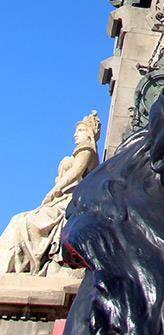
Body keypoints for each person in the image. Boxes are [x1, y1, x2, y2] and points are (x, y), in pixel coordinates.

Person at [0, 111, 101, 275]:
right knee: (19, 221)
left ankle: (19, 266)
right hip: (62, 201)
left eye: (81, 130)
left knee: (22, 223)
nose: (76, 134)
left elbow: (75, 172)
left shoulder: (87, 150)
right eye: (76, 131)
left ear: (89, 133)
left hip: (68, 203)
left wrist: (54, 190)